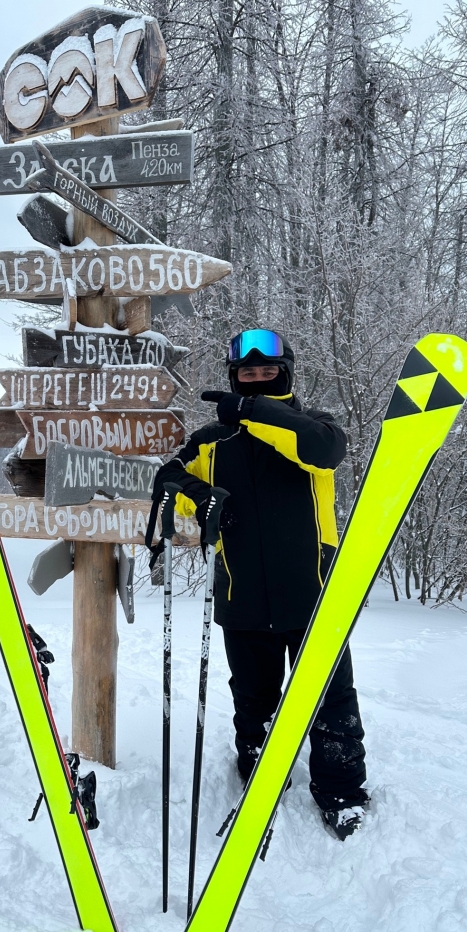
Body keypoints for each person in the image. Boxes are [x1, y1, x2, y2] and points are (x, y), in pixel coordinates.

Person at [152, 328, 369, 839]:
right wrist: (196, 495)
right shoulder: (213, 440)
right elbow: (167, 477)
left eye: (266, 372)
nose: (255, 379)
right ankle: (258, 765)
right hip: (240, 592)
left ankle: (339, 789)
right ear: (233, 375)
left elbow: (322, 452)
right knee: (252, 695)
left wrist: (249, 411)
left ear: (285, 373)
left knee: (330, 697)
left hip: (312, 590)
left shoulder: (315, 426)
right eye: (246, 374)